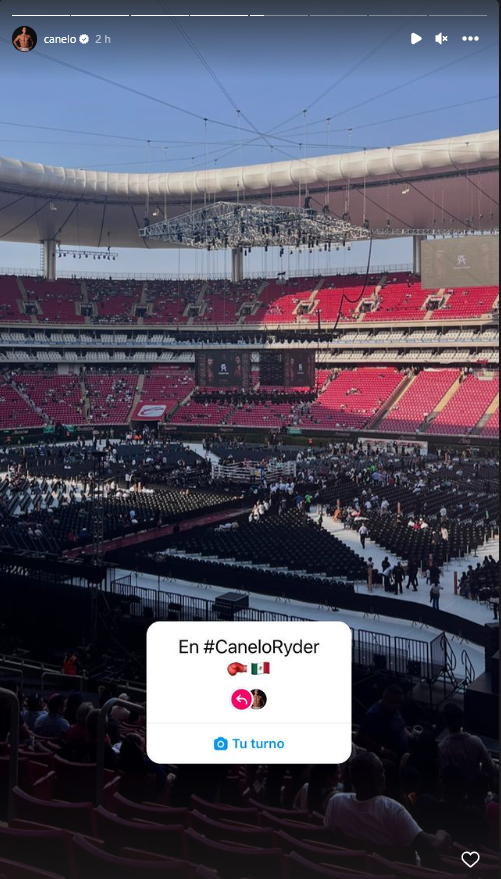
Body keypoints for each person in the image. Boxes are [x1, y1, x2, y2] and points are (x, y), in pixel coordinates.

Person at [324, 752, 452, 857]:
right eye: (381, 771)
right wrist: (442, 834)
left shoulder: (336, 802)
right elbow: (432, 847)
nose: (384, 775)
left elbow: (329, 834)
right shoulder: (392, 810)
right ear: (377, 780)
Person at [438, 704, 498, 784]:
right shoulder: (476, 742)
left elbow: (441, 774)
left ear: (445, 722)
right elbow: (491, 766)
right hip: (475, 787)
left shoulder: (442, 748)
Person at [358, 685, 409, 759]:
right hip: (389, 759)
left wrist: (411, 735)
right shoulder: (373, 715)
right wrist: (382, 750)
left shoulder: (393, 710)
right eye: (397, 703)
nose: (399, 706)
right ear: (386, 701)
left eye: (400, 702)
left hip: (404, 754)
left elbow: (400, 725)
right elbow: (361, 737)